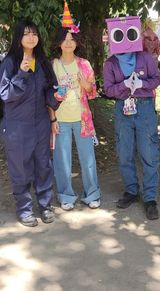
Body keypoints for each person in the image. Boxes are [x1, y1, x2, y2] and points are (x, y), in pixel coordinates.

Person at [0, 19, 60, 227]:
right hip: (17, 125)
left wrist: (57, 97)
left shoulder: (43, 62)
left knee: (43, 164)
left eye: (34, 33)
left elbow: (50, 90)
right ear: (18, 38)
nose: (31, 37)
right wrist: (22, 74)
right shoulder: (9, 62)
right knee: (21, 167)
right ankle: (24, 209)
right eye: (26, 33)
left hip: (40, 123)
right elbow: (5, 95)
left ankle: (45, 206)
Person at [103, 16, 160, 220]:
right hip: (123, 110)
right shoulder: (110, 63)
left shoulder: (144, 57)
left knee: (148, 152)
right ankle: (131, 190)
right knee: (125, 151)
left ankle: (150, 197)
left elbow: (156, 79)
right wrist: (125, 85)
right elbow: (108, 90)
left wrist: (141, 84)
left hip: (144, 109)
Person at [50, 26, 101, 211]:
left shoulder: (84, 64)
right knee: (62, 160)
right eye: (65, 39)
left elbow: (93, 92)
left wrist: (86, 84)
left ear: (76, 42)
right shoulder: (52, 65)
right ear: (59, 43)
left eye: (72, 39)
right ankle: (66, 196)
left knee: (88, 159)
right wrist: (52, 119)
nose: (69, 42)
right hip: (60, 119)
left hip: (83, 119)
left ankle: (93, 194)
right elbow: (46, 94)